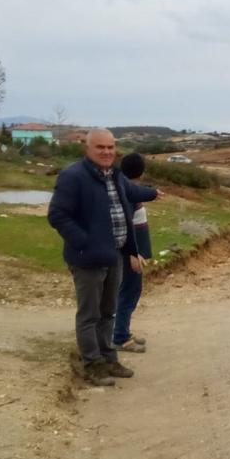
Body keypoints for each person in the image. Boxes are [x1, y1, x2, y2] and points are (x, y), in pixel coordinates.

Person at [47, 129, 159, 386]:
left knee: (108, 312)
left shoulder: (115, 175)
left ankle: (109, 359)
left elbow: (131, 193)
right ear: (87, 149)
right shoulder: (73, 177)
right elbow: (57, 215)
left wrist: (152, 193)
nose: (107, 152)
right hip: (87, 258)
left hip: (114, 256)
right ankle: (93, 365)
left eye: (110, 147)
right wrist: (84, 243)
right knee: (90, 315)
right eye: (100, 147)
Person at [112, 152, 152, 354]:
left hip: (131, 253)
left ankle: (121, 330)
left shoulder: (127, 189)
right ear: (141, 171)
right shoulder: (128, 193)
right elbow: (126, 226)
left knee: (126, 292)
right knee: (128, 292)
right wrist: (133, 254)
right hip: (130, 255)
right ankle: (120, 337)